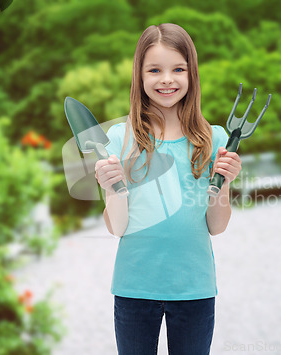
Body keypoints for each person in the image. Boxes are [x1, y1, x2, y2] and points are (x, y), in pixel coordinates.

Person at [94, 23, 241, 355]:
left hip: (194, 288)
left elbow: (216, 227)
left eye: (178, 69)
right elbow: (117, 227)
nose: (167, 79)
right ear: (140, 76)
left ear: (192, 74)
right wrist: (111, 187)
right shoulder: (121, 139)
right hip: (134, 287)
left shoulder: (214, 139)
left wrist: (225, 182)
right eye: (154, 70)